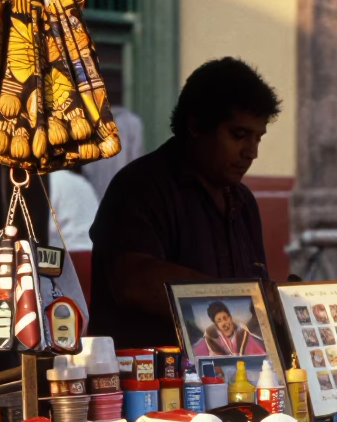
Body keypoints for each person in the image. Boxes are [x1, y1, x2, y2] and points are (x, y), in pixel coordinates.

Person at [89, 58, 282, 345]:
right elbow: (134, 283)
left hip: (229, 377)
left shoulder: (243, 202)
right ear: (195, 126)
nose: (251, 152)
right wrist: (244, 297)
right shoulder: (140, 186)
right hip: (147, 381)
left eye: (258, 138)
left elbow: (254, 299)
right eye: (239, 135)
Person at [47, 165, 100, 303]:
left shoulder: (50, 181)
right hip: (94, 257)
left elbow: (46, 227)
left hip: (66, 258)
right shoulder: (82, 182)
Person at [193, 300, 265, 356]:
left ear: (230, 318)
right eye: (219, 321)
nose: (224, 323)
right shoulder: (210, 338)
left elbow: (261, 356)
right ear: (215, 325)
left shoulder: (243, 334)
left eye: (225, 318)